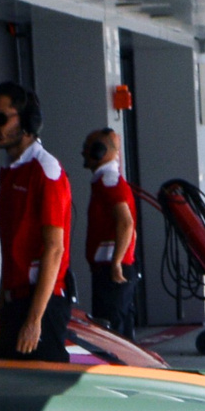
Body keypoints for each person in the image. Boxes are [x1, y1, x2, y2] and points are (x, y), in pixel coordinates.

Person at [0, 83, 72, 363]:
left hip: (40, 303)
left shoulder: (45, 169)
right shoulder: (11, 172)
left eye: (0, 118)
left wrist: (34, 320)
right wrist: (1, 306)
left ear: (26, 122)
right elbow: (11, 249)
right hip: (15, 301)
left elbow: (54, 249)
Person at [81, 127, 139, 338]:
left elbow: (125, 223)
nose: (83, 153)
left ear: (99, 151)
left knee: (112, 331)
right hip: (110, 268)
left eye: (87, 148)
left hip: (111, 271)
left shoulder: (108, 181)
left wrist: (116, 262)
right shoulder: (106, 181)